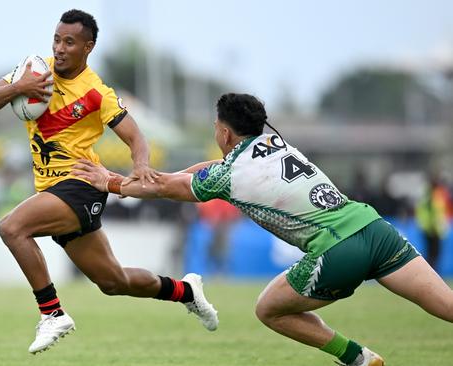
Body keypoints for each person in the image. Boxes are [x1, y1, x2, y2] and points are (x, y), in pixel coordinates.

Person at [73, 93, 453, 366]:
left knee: (270, 309)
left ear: (224, 133)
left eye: (216, 128)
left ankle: (357, 358)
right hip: (374, 228)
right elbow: (202, 171)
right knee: (447, 306)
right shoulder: (274, 141)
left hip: (339, 249)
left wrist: (110, 181)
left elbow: (163, 189)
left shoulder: (230, 174)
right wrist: (171, 174)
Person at [0, 9, 218, 354]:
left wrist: (142, 166)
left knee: (12, 228)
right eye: (56, 39)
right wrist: (20, 86)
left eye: (69, 42)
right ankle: (186, 291)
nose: (59, 48)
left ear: (87, 47)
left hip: (82, 183)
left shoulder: (96, 92)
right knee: (113, 281)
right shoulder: (34, 71)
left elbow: (136, 137)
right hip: (52, 190)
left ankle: (52, 313)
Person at [415, 174, 451, 269]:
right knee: (433, 254)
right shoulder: (433, 195)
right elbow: (435, 213)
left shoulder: (427, 195)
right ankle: (431, 273)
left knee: (432, 254)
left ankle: (431, 272)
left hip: (429, 228)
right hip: (432, 230)